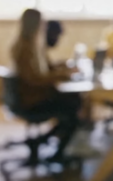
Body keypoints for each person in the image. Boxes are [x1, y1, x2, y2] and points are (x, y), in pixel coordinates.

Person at [11, 9, 82, 163]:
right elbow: (36, 78)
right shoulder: (25, 48)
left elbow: (45, 69)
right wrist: (63, 75)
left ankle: (43, 140)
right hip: (32, 100)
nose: (44, 26)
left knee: (74, 103)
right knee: (74, 107)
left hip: (33, 95)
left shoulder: (33, 44)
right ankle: (57, 153)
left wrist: (63, 67)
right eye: (41, 22)